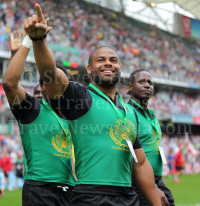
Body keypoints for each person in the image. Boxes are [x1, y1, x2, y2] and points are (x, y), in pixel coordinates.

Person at [23, 4, 162, 206]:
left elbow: (140, 163)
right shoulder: (82, 96)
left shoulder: (129, 111)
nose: (108, 63)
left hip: (128, 197)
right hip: (91, 196)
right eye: (101, 60)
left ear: (120, 68)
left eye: (113, 60)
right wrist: (38, 40)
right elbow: (51, 74)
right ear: (89, 68)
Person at [3, 30, 75, 206]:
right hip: (41, 190)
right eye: (48, 81)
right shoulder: (33, 109)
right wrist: (26, 44)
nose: (53, 85)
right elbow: (11, 84)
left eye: (58, 80)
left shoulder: (72, 115)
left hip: (71, 191)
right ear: (42, 87)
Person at [127, 69, 175, 206]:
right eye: (141, 81)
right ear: (130, 86)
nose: (147, 85)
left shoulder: (152, 114)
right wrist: (151, 186)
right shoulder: (128, 112)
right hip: (139, 183)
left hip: (156, 180)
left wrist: (160, 180)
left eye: (150, 82)